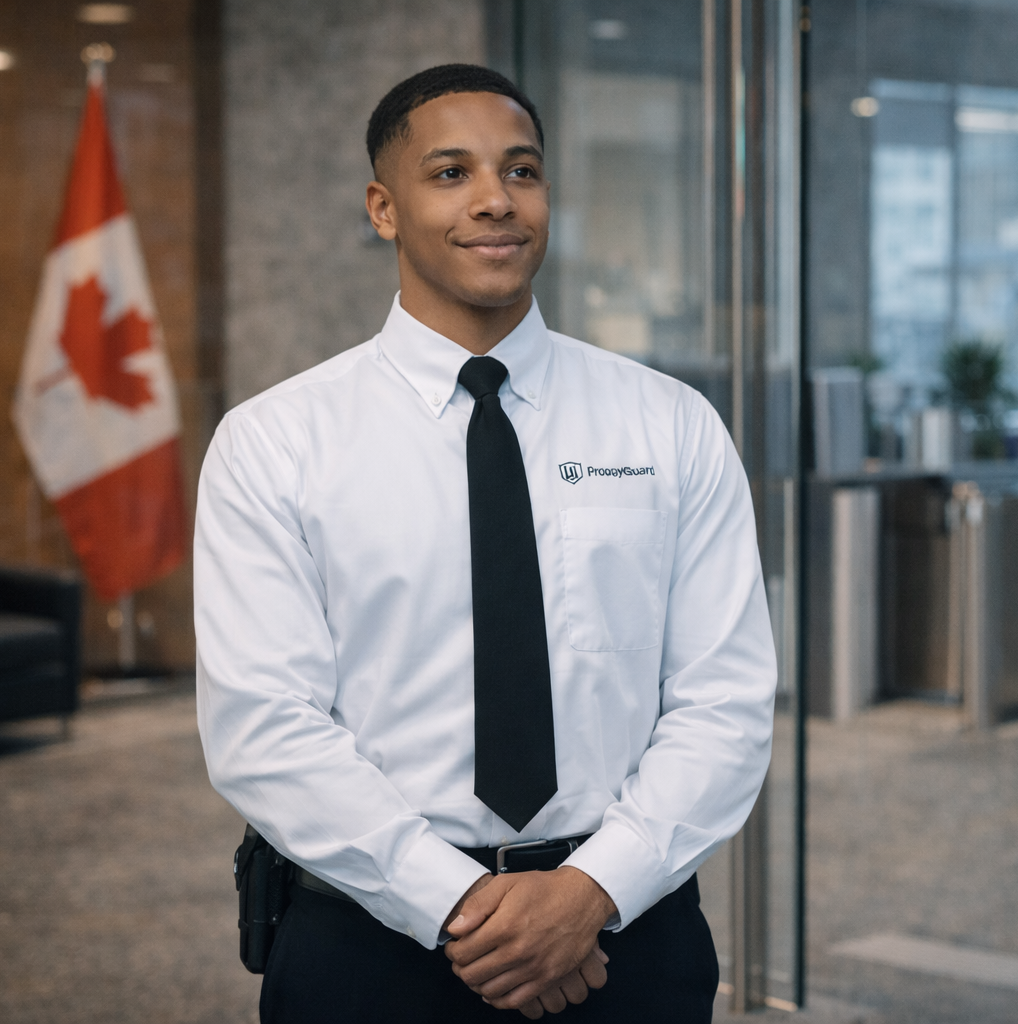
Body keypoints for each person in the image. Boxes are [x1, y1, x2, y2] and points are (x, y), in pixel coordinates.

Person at [194, 64, 776, 1022]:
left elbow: (726, 699)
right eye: (451, 173)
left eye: (522, 170)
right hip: (369, 949)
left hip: (626, 934)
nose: (496, 201)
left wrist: (589, 895)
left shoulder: (669, 425)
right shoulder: (278, 442)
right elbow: (267, 728)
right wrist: (464, 907)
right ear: (384, 207)